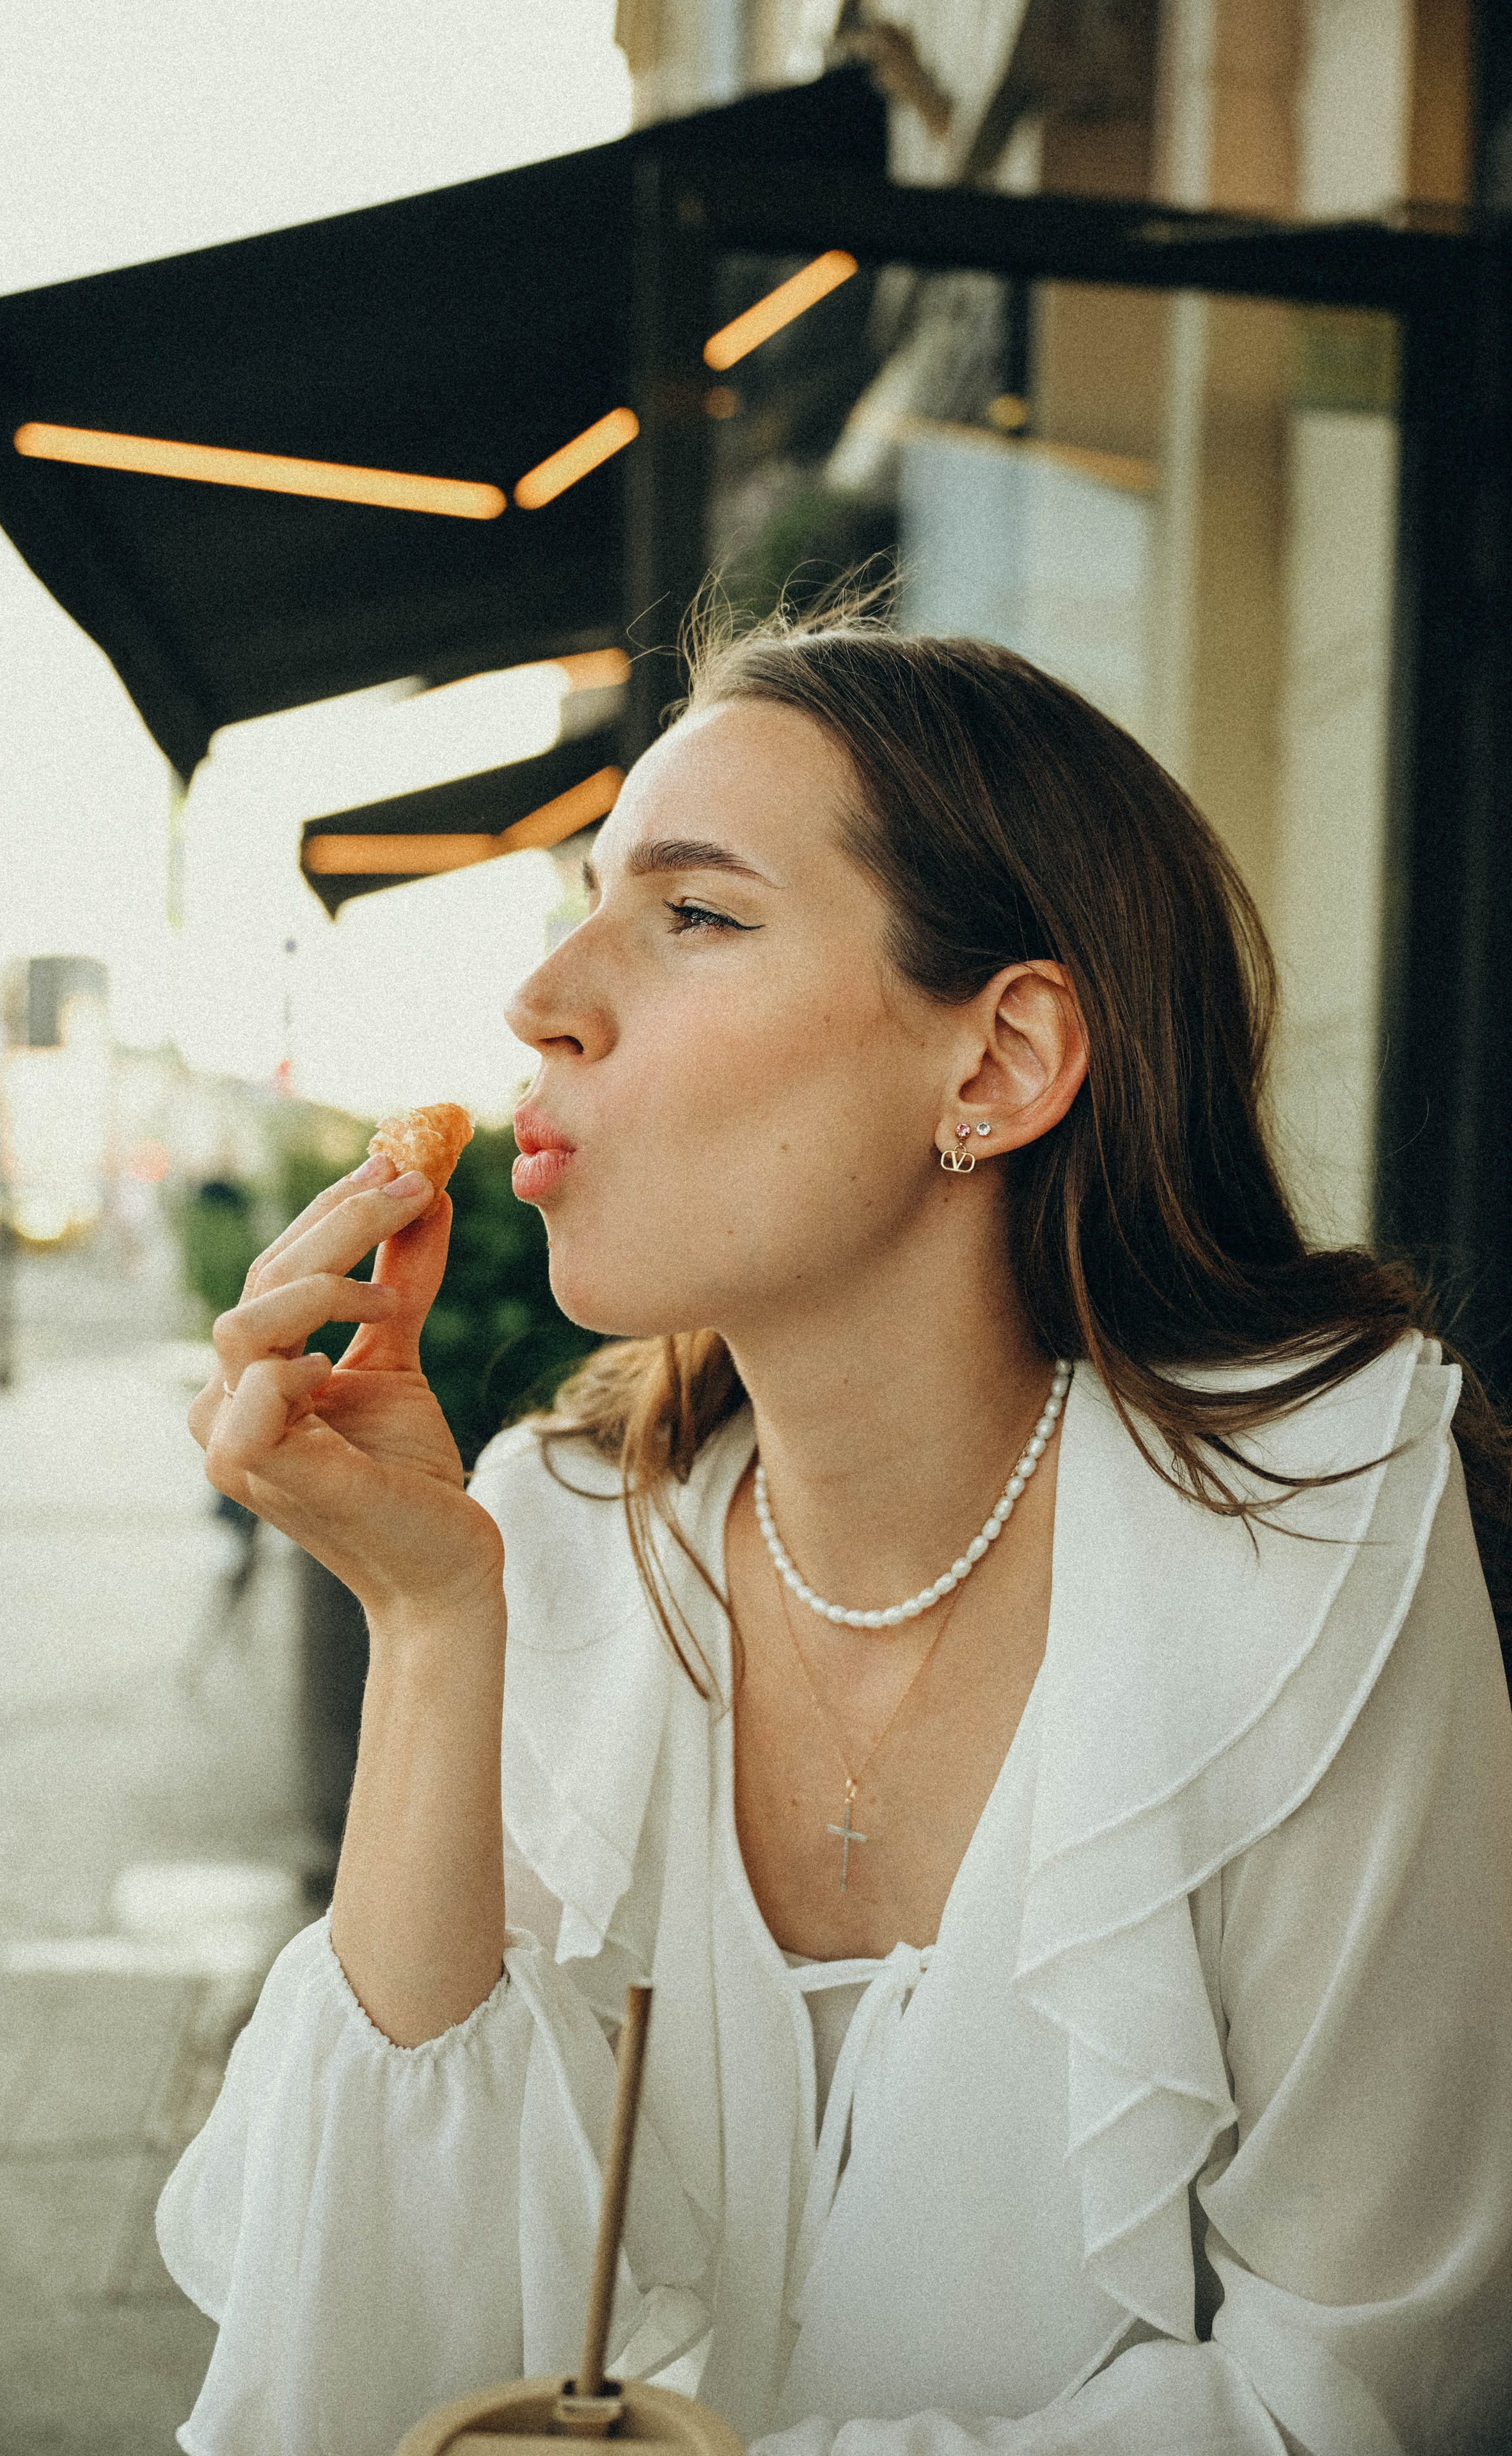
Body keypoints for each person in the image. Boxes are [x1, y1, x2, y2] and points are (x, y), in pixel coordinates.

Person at [161, 613, 1512, 2456]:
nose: (545, 993)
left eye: (693, 914)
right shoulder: (558, 1539)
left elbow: (1370, 2396)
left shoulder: (1311, 1536)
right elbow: (366, 2354)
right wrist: (428, 1617)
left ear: (1000, 1063)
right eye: (585, 900)